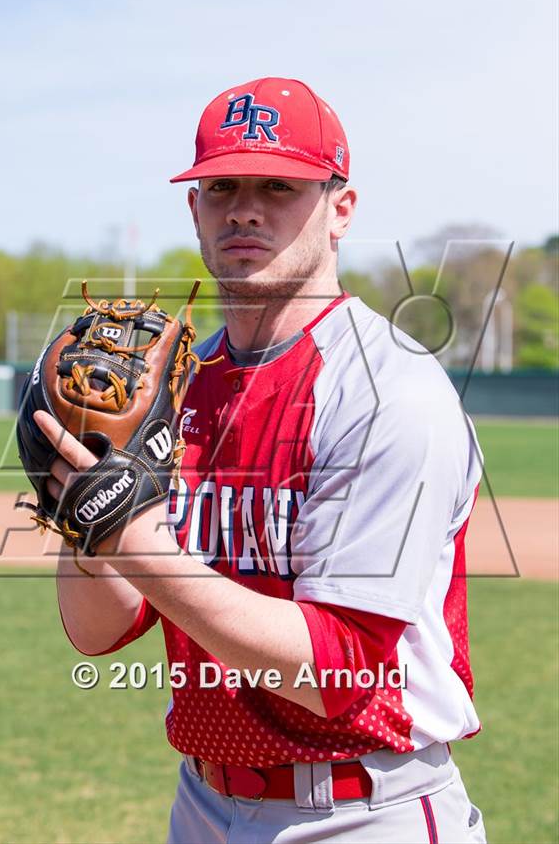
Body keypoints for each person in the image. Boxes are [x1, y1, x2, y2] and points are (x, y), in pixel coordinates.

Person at [37, 77, 488, 843]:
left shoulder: (388, 391)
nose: (244, 208)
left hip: (362, 808)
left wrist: (135, 543)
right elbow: (100, 634)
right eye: (222, 187)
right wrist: (83, 522)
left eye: (278, 186)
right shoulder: (170, 386)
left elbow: (337, 670)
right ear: (195, 209)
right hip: (203, 804)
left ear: (341, 208)